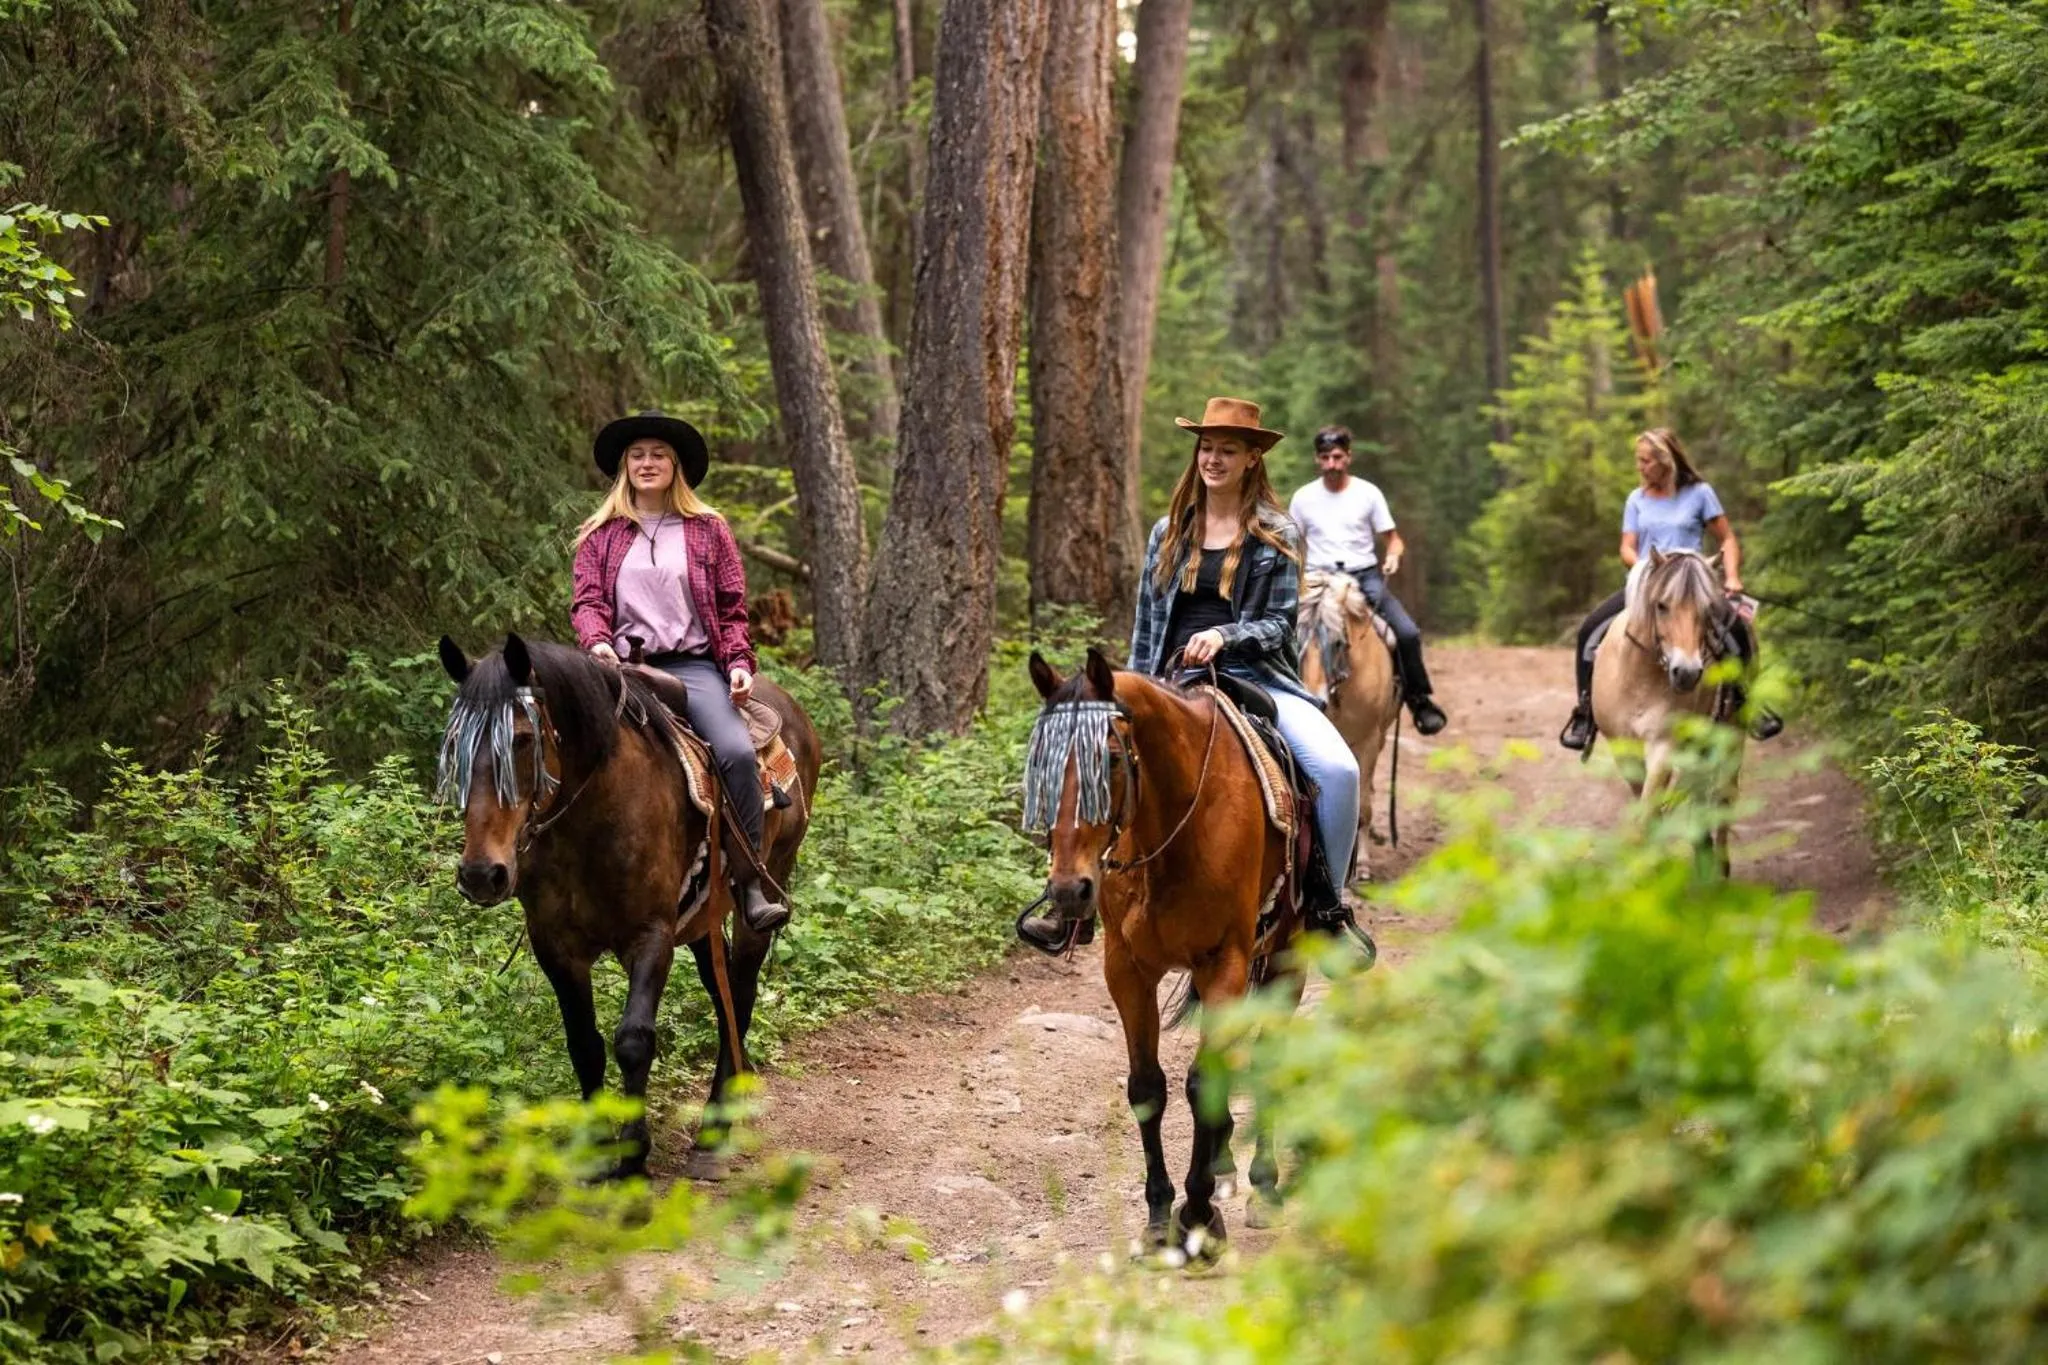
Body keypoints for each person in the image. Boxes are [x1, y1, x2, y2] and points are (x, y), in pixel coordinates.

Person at [1018, 396, 1364, 948]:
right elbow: (1146, 624)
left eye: (1228, 450)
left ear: (1253, 458)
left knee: (1338, 771)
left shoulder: (1278, 533)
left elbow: (1280, 625)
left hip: (1258, 681)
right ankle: (1073, 909)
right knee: (1092, 763)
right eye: (1207, 448)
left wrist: (1224, 635)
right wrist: (1131, 687)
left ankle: (1328, 905)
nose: (1214, 460)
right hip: (1169, 684)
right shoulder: (1168, 531)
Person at [570, 410, 790, 934]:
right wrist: (597, 642)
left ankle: (750, 881)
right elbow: (588, 602)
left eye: (658, 455)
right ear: (625, 466)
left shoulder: (707, 530)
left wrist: (738, 664)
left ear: (676, 467)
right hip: (618, 667)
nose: (648, 463)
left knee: (735, 752)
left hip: (690, 667)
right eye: (638, 455)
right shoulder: (600, 535)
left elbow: (732, 607)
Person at [1558, 426, 1782, 751]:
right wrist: (1642, 568)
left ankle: (1747, 702)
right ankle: (1585, 712)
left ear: (1667, 461)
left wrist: (1732, 576)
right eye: (1639, 461)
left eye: (1646, 461)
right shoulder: (1636, 499)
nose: (1641, 467)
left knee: (1737, 629)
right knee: (1590, 630)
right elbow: (1626, 547)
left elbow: (1727, 539)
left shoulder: (1701, 494)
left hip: (1693, 586)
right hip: (1651, 585)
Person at [1286, 426, 1449, 735]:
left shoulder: (1368, 493)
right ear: (1317, 459)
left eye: (1337, 457)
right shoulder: (1303, 498)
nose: (1331, 464)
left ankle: (1418, 699)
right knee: (1281, 632)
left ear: (1349, 456)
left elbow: (1394, 539)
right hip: (1317, 581)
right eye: (1325, 458)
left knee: (1407, 632)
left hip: (1363, 577)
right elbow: (1292, 544)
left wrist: (1393, 556)